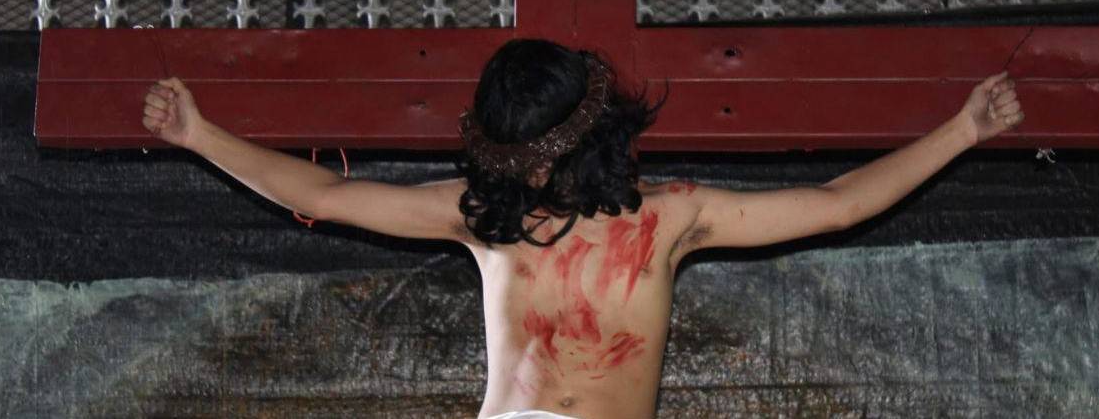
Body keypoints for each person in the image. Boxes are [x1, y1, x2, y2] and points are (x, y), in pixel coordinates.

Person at [141, 38, 1024, 419]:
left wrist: (963, 130)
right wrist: (198, 135)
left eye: (536, 162)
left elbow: (836, 202)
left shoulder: (669, 217)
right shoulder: (485, 220)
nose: (527, 178)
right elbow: (330, 196)